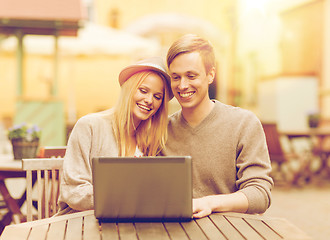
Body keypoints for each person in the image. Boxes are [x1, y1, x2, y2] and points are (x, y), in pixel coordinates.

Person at [161, 34, 273, 218]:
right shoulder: (162, 130)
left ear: (210, 74)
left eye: (191, 76)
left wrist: (209, 202)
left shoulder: (243, 123)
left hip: (231, 231)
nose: (182, 85)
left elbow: (260, 194)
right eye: (175, 77)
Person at [57, 57, 173, 215]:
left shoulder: (151, 140)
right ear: (129, 89)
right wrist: (125, 196)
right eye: (143, 91)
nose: (149, 100)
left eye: (157, 97)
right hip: (82, 221)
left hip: (128, 221)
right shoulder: (89, 126)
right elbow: (74, 192)